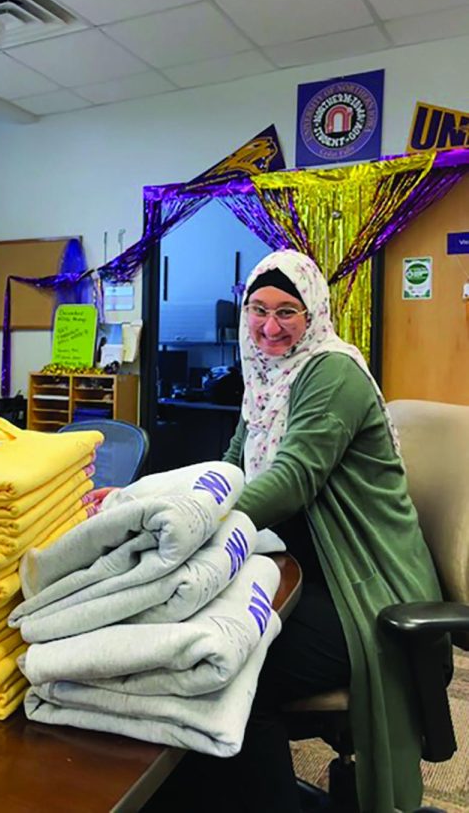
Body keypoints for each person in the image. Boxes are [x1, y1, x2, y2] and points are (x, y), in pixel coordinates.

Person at [144, 249, 442, 813]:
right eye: (258, 309)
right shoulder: (265, 378)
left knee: (223, 675)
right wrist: (150, 504)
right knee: (192, 648)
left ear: (314, 317)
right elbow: (231, 468)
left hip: (363, 591)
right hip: (302, 572)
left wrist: (197, 526)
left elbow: (292, 478)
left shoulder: (330, 372)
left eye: (288, 312)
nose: (269, 327)